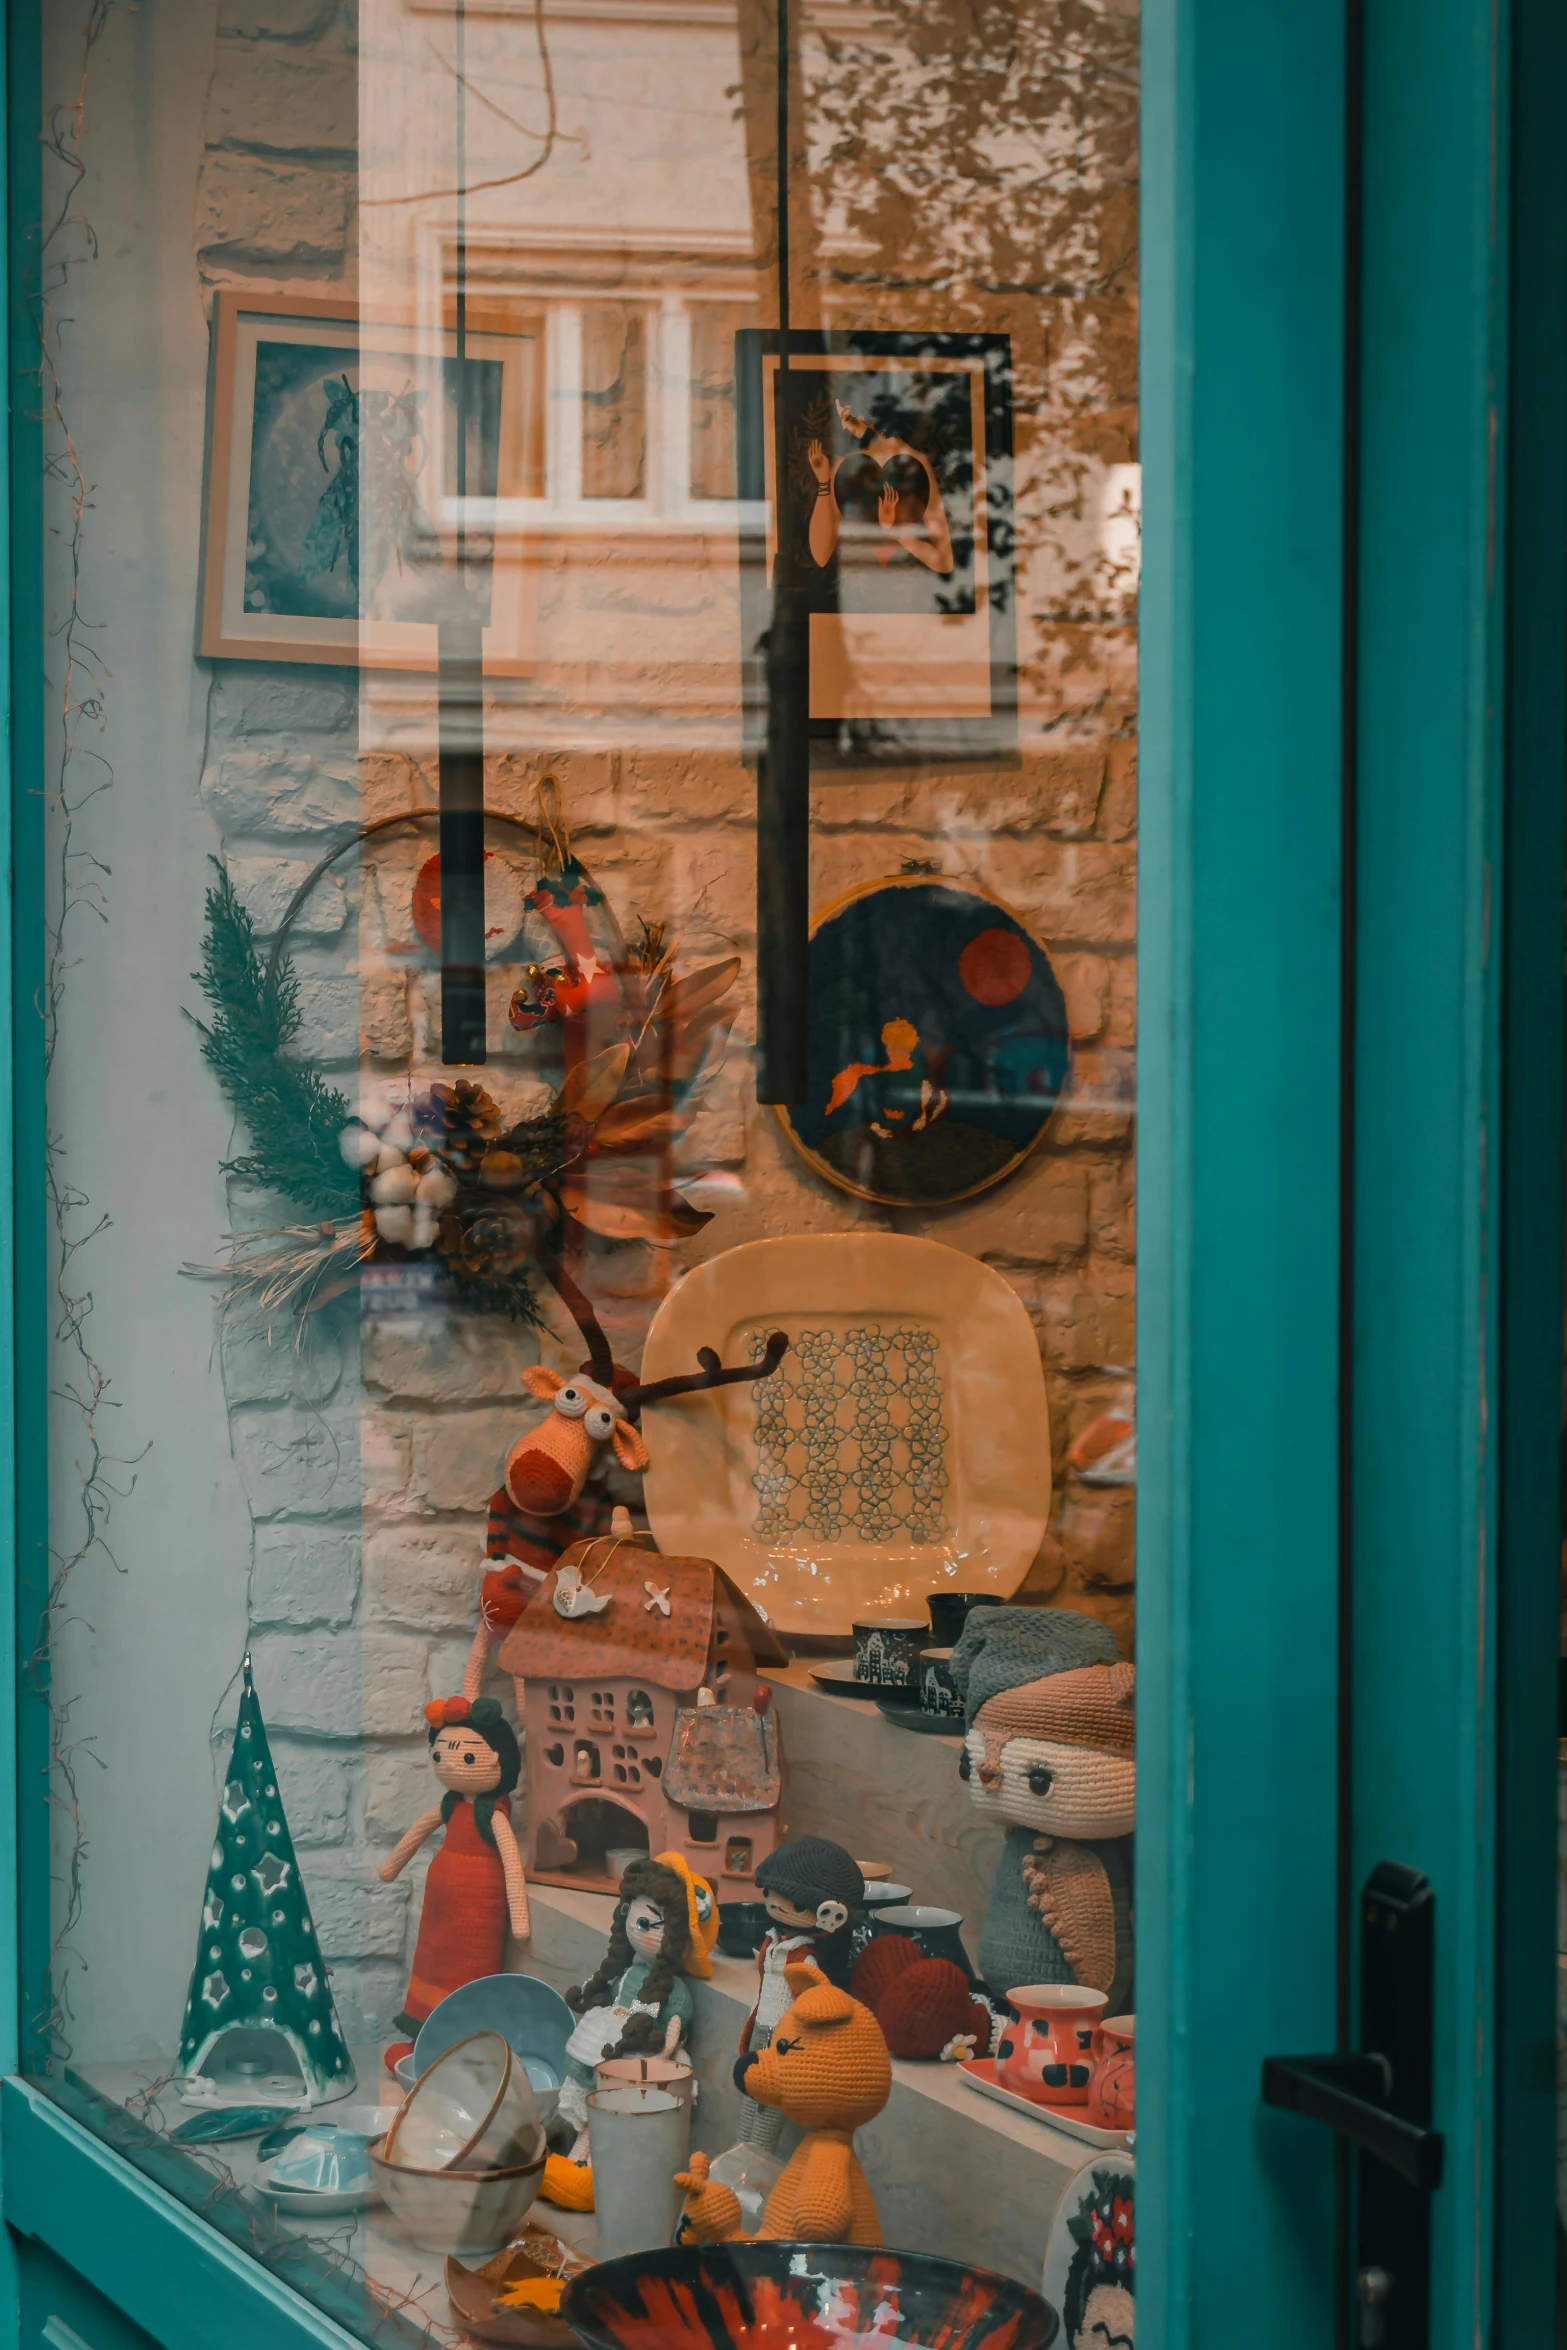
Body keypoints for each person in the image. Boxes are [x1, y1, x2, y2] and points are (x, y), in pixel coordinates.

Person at [806, 398, 955, 587]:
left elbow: (943, 562)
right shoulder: (855, 529)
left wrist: (898, 533)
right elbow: (820, 556)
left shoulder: (916, 525)